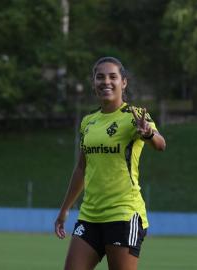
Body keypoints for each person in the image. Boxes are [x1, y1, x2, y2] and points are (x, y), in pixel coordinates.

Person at [54, 56, 166, 270]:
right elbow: (81, 169)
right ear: (93, 83)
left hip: (123, 214)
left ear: (123, 82)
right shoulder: (88, 122)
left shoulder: (136, 116)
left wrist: (149, 134)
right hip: (90, 215)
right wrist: (64, 210)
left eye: (113, 77)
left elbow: (161, 145)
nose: (106, 82)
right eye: (100, 77)